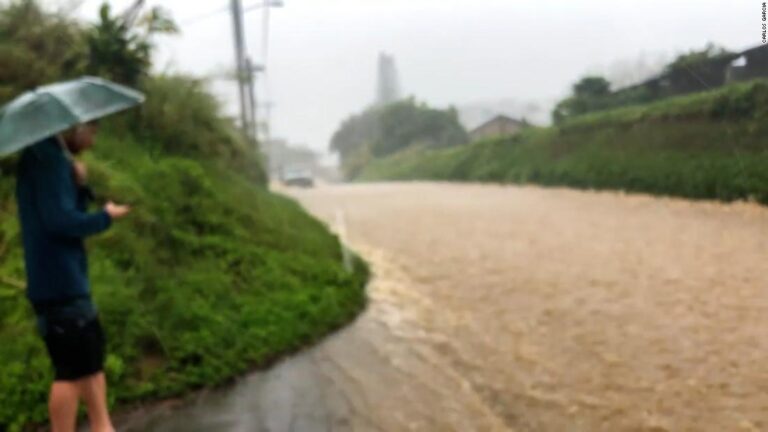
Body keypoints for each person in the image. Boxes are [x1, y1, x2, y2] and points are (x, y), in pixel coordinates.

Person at [15, 122, 131, 432]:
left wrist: (79, 187)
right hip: (58, 281)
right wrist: (106, 217)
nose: (93, 141)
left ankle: (102, 427)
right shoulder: (46, 159)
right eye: (91, 132)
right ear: (74, 128)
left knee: (90, 360)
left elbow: (62, 212)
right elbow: (61, 222)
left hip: (66, 279)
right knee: (70, 371)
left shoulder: (52, 158)